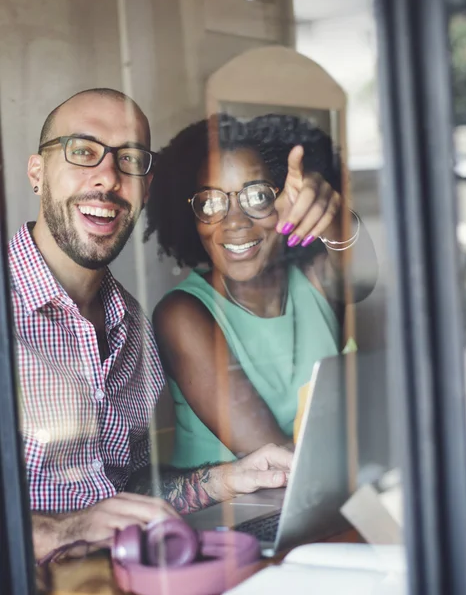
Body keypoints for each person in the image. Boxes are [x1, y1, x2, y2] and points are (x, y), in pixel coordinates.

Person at [10, 89, 292, 560]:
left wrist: (226, 478)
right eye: (83, 152)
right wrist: (64, 530)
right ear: (37, 173)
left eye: (130, 160)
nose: (107, 178)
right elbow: (85, 519)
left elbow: (124, 487)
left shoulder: (132, 323)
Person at [144, 113, 376, 467]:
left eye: (257, 197)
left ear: (289, 200)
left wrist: (333, 216)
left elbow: (368, 279)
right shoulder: (182, 314)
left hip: (314, 497)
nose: (235, 221)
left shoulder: (313, 280)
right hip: (230, 516)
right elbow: (273, 460)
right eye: (211, 202)